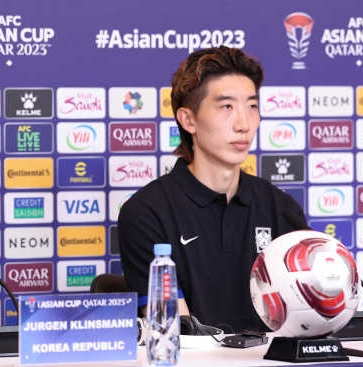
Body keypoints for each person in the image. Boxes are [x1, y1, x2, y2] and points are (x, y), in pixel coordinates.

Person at [118, 46, 305, 332]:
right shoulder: (146, 213)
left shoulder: (282, 207)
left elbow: (304, 318)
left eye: (252, 107)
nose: (244, 124)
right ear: (188, 120)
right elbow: (175, 332)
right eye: (227, 107)